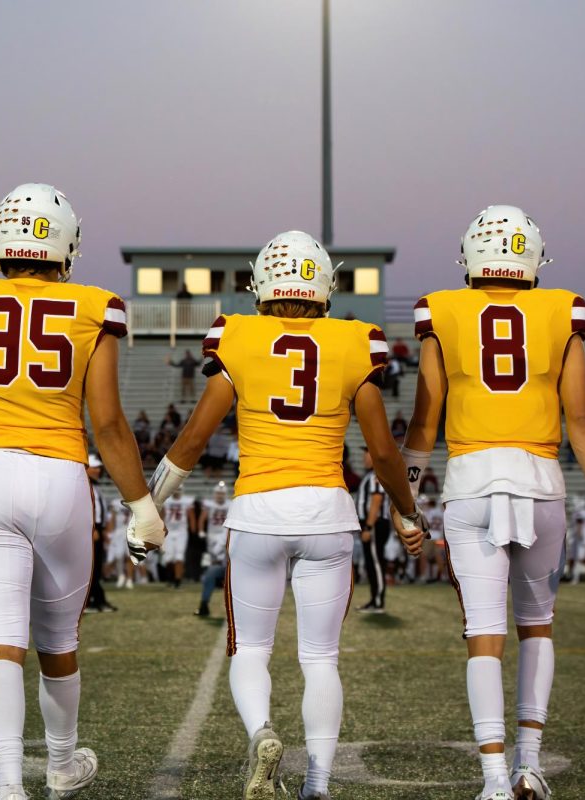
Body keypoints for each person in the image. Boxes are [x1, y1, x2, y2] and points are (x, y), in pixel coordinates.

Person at [0, 183, 164, 800]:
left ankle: (8, 787)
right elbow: (106, 422)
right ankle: (61, 762)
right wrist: (141, 505)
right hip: (61, 477)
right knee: (58, 638)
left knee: (0, 636)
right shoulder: (93, 305)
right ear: (66, 244)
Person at [145, 230, 424, 800]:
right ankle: (317, 783)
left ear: (261, 284)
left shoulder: (239, 335)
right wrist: (407, 512)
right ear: (325, 284)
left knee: (251, 649)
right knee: (321, 657)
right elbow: (383, 451)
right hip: (326, 511)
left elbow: (195, 437)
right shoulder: (355, 341)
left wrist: (147, 506)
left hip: (259, 511)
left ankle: (262, 732)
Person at [403, 205, 585, 800]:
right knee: (538, 628)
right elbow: (580, 417)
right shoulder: (560, 307)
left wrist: (405, 498)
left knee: (483, 634)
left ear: (471, 255)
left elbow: (425, 420)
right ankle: (531, 765)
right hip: (542, 481)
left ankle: (494, 779)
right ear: (533, 257)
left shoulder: (441, 309)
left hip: (472, 481)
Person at [354, 450, 390, 614]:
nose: (364, 458)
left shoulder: (376, 475)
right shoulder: (370, 476)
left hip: (374, 524)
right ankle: (374, 599)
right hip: (371, 524)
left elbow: (377, 500)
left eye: (367, 454)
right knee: (371, 563)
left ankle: (378, 602)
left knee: (375, 563)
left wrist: (368, 526)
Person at [84, 455, 117, 613]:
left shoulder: (94, 486)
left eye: (99, 468)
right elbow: (83, 510)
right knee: (91, 569)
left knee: (95, 569)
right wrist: (92, 529)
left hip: (97, 529)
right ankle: (93, 601)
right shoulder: (83, 485)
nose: (98, 471)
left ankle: (97, 600)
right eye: (95, 467)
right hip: (90, 529)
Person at [195, 482, 231, 617]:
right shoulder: (225, 531)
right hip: (226, 559)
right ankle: (204, 605)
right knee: (211, 572)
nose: (220, 496)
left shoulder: (231, 508)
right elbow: (218, 549)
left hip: (242, 568)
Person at [162, 489, 195, 588]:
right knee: (168, 558)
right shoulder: (166, 501)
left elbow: (191, 517)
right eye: (175, 489)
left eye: (179, 489)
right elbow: (162, 516)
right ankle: (170, 577)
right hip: (169, 531)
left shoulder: (187, 501)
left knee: (179, 557)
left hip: (181, 532)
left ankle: (177, 580)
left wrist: (193, 532)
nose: (177, 491)